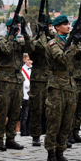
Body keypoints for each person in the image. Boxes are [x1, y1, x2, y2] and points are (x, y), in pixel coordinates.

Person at [44, 15, 81, 161]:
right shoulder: (52, 44)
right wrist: (74, 44)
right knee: (54, 123)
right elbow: (63, 59)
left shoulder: (69, 42)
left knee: (66, 122)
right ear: (56, 27)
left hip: (71, 86)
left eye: (68, 24)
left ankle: (60, 153)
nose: (68, 26)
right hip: (57, 86)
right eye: (64, 24)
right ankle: (51, 155)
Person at [0, 18, 27, 151]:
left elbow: (30, 48)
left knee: (15, 112)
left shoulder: (19, 42)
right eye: (14, 27)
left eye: (17, 27)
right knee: (2, 112)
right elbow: (6, 50)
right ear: (8, 28)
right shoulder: (1, 41)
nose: (16, 29)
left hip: (17, 80)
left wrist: (24, 32)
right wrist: (11, 36)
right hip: (5, 81)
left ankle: (11, 139)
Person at [27, 17, 52, 146]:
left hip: (51, 79)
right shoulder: (36, 41)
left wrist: (47, 31)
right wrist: (41, 33)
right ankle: (35, 135)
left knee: (52, 109)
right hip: (38, 79)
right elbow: (42, 47)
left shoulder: (52, 39)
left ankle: (51, 134)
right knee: (37, 108)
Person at [19, 54, 32, 137]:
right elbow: (25, 82)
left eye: (30, 60)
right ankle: (23, 131)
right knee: (25, 115)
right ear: (24, 60)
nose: (30, 61)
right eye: (28, 60)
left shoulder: (32, 69)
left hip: (31, 95)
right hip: (25, 94)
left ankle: (29, 130)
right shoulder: (22, 70)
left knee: (30, 114)